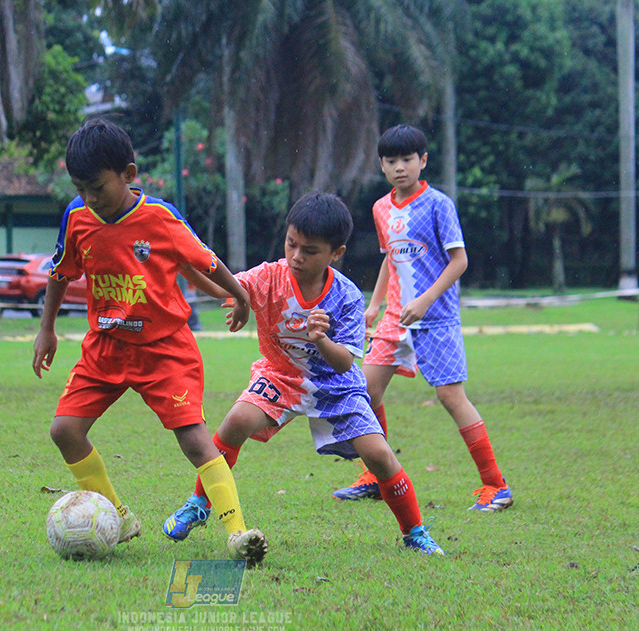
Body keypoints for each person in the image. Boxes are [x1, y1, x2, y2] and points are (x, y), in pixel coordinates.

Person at [32, 118, 267, 565]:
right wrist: (47, 329)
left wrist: (239, 295)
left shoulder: (161, 218)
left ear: (129, 173)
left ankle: (238, 534)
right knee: (64, 431)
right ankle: (119, 518)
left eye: (97, 186)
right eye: (80, 187)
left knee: (196, 441)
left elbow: (205, 262)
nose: (90, 197)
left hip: (165, 350)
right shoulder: (77, 217)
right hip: (105, 347)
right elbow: (62, 272)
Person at [162, 192, 444, 555]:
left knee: (378, 455)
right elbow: (223, 285)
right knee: (234, 422)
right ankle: (200, 503)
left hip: (336, 385)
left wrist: (321, 339)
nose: (296, 256)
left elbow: (345, 363)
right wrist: (184, 264)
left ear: (335, 253)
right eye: (291, 244)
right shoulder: (269, 276)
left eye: (309, 250)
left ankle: (414, 532)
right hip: (281, 376)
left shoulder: (346, 296)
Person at [333, 125, 513, 512]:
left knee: (450, 396)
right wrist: (374, 305)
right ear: (381, 165)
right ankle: (376, 475)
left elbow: (459, 261)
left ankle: (496, 485)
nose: (400, 167)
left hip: (437, 318)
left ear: (423, 161)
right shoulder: (381, 208)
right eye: (392, 161)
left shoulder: (438, 204)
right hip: (395, 318)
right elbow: (390, 259)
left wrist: (428, 300)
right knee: (365, 391)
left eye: (408, 159)